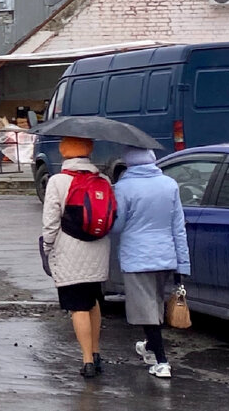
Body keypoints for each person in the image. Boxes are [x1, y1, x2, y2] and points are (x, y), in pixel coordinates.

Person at [112, 148, 191, 379]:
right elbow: (178, 226)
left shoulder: (124, 188)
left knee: (146, 310)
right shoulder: (169, 184)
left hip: (137, 257)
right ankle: (149, 347)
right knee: (154, 304)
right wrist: (182, 265)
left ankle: (162, 361)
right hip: (166, 256)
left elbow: (117, 226)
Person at [41, 135, 112, 379]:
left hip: (70, 251)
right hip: (98, 249)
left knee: (78, 307)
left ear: (64, 152)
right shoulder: (103, 179)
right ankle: (96, 351)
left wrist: (47, 247)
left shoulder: (58, 181)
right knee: (93, 302)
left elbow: (50, 222)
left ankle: (87, 361)